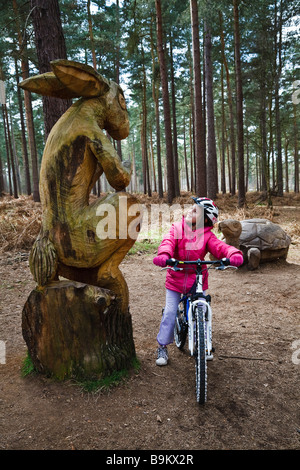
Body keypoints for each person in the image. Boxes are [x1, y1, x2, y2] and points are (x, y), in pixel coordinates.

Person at [153, 197, 244, 366]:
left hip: (197, 280)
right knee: (170, 313)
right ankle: (162, 346)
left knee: (203, 310)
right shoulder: (177, 229)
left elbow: (220, 246)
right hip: (176, 278)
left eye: (195, 211)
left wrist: (232, 253)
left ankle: (205, 346)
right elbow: (168, 241)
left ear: (204, 220)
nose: (189, 211)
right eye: (191, 208)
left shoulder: (208, 236)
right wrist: (164, 255)